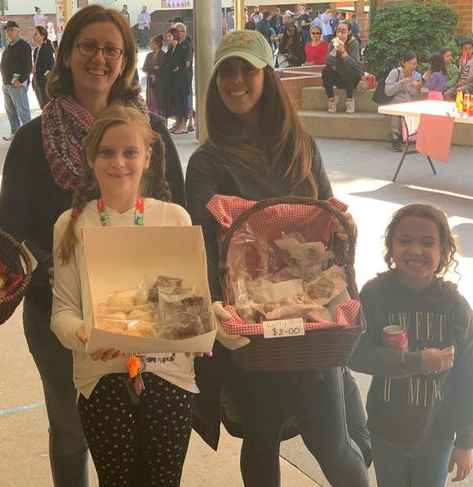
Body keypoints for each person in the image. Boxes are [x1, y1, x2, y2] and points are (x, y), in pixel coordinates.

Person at [0, 6, 185, 487]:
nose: (99, 57)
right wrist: (69, 277)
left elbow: (179, 223)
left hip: (147, 315)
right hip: (61, 311)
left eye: (112, 49)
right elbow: (11, 232)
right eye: (88, 45)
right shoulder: (32, 139)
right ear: (66, 53)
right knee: (72, 429)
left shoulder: (155, 135)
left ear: (124, 60)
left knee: (140, 433)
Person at [185, 30, 371, 487]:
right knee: (261, 435)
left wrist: (346, 231)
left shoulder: (299, 144)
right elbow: (202, 248)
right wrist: (216, 312)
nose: (236, 80)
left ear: (266, 76)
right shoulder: (208, 161)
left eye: (247, 69)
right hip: (250, 324)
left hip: (313, 322)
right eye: (227, 70)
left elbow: (329, 216)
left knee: (330, 440)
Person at [51, 106, 199, 487]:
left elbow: (191, 305)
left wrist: (204, 330)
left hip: (170, 378)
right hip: (101, 381)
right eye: (107, 152)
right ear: (91, 158)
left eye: (130, 152)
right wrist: (87, 334)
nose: (119, 162)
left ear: (148, 156)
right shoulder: (72, 224)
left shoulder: (174, 219)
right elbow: (62, 313)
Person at [349, 204, 473, 487]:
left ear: (444, 251)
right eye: (405, 240)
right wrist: (417, 362)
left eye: (428, 242)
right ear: (391, 247)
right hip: (386, 432)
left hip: (437, 436)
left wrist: (467, 441)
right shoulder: (374, 294)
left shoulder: (456, 307)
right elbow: (355, 354)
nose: (416, 250)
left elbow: (470, 376)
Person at [322, 21, 363, 114]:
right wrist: (335, 50)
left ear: (349, 32)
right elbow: (327, 62)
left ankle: (349, 101)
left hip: (353, 77)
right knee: (326, 70)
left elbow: (355, 64)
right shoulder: (333, 42)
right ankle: (331, 100)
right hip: (339, 77)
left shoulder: (354, 43)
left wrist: (343, 52)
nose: (340, 33)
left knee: (347, 69)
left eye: (343, 31)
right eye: (338, 31)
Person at [0, 20, 32, 141]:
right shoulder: (8, 46)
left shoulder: (24, 46)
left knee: (22, 110)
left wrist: (21, 79)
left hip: (17, 84)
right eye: (7, 30)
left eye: (11, 30)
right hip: (6, 83)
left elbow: (28, 65)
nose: (9, 32)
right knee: (10, 110)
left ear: (18, 31)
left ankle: (28, 135)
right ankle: (15, 131)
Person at [384, 51, 422, 152]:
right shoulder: (395, 72)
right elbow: (387, 91)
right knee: (395, 107)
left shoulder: (417, 76)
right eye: (409, 63)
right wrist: (400, 83)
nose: (412, 66)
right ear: (403, 63)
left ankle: (411, 135)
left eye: (414, 63)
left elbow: (413, 95)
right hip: (393, 101)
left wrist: (417, 88)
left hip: (407, 103)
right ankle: (394, 136)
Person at [163, 27, 189, 134]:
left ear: (174, 36)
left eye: (169, 35)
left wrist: (175, 67)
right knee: (175, 102)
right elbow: (166, 64)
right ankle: (177, 123)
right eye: (167, 36)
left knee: (182, 102)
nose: (167, 38)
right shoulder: (170, 49)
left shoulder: (182, 49)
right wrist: (172, 66)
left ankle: (183, 125)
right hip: (172, 81)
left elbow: (182, 65)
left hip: (181, 81)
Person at [174, 22, 195, 132]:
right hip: (175, 77)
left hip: (184, 75)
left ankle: (185, 122)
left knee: (185, 98)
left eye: (180, 31)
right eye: (175, 31)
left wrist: (177, 67)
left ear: (184, 32)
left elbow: (187, 63)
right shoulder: (173, 44)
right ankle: (178, 123)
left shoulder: (187, 45)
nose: (177, 33)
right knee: (177, 99)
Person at [32, 26, 54, 109]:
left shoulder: (47, 49)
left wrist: (43, 77)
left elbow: (50, 67)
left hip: (44, 83)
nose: (33, 36)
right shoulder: (36, 50)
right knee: (42, 106)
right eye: (33, 34)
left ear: (42, 36)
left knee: (47, 106)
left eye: (36, 34)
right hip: (37, 82)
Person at [142, 34, 165, 116]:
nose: (150, 45)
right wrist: (153, 68)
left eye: (152, 43)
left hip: (160, 82)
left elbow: (162, 70)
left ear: (157, 44)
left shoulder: (163, 55)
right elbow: (144, 68)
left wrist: (152, 70)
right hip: (150, 82)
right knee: (151, 101)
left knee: (160, 101)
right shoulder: (149, 55)